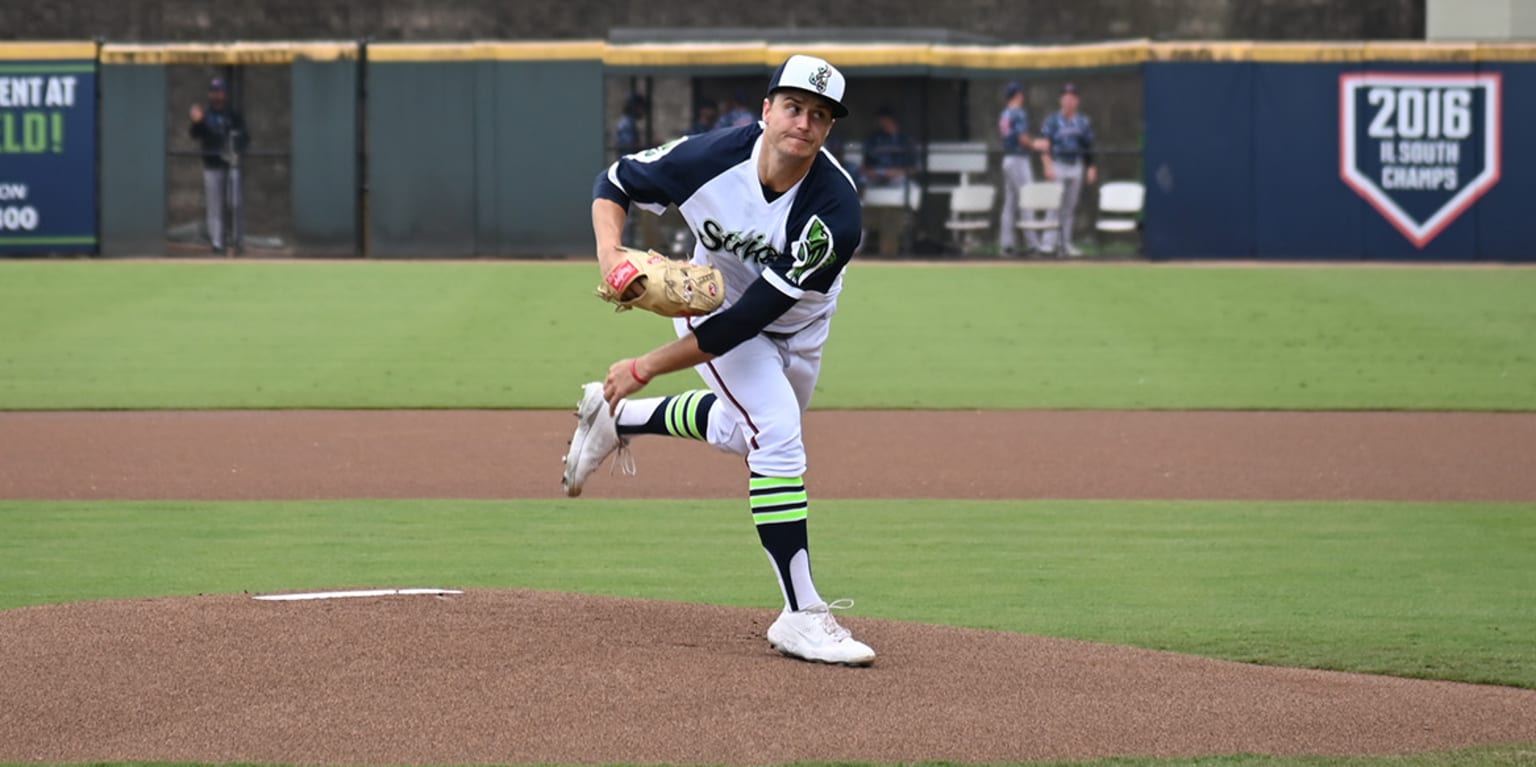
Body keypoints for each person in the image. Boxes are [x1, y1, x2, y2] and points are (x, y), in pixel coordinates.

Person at [565, 54, 876, 667]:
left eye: (820, 115)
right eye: (792, 107)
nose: (803, 123)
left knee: (745, 433)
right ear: (766, 110)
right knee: (779, 438)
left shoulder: (835, 211)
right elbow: (615, 182)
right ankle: (802, 613)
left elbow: (751, 320)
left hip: (794, 327)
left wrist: (643, 366)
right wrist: (610, 256)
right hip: (709, 306)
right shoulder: (711, 158)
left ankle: (615, 417)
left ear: (829, 129)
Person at [188, 77, 249, 254]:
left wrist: (237, 149)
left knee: (235, 202)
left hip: (232, 164)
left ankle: (237, 242)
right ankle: (217, 243)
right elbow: (194, 134)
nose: (217, 95)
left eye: (219, 91)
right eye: (214, 92)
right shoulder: (206, 115)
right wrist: (197, 121)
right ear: (210, 94)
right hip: (212, 164)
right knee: (214, 205)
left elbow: (245, 137)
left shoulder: (233, 115)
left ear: (225, 94)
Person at [1039, 83, 1098, 257]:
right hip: (1058, 164)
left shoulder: (1083, 121)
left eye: (1071, 97)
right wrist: (1047, 166)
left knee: (1069, 207)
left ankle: (1065, 244)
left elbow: (1088, 146)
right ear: (1060, 100)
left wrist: (1091, 167)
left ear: (1077, 101)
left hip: (1076, 165)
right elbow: (1045, 145)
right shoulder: (1052, 120)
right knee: (1054, 205)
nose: (1068, 100)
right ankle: (1048, 244)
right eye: (1065, 97)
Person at [859, 105, 919, 257]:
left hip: (897, 180)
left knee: (904, 185)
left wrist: (897, 171)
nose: (883, 123)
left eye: (886, 120)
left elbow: (913, 169)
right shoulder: (873, 139)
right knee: (862, 182)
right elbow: (865, 167)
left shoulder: (905, 140)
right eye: (881, 120)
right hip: (876, 179)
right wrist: (874, 172)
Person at [996, 81, 1044, 256]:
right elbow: (1023, 138)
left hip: (1008, 159)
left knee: (1010, 203)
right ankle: (1033, 245)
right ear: (1018, 95)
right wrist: (1036, 144)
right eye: (1021, 94)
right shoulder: (1018, 113)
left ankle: (1006, 244)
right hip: (1018, 159)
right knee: (1027, 199)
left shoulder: (1004, 114)